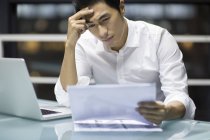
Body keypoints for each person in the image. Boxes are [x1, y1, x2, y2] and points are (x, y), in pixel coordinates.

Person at [54, 0, 196, 124]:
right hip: (107, 128)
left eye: (105, 19)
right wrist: (70, 45)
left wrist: (166, 111)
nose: (102, 32)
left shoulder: (158, 38)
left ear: (121, 7)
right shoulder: (84, 43)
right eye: (91, 25)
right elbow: (71, 93)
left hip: (156, 127)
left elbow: (178, 94)